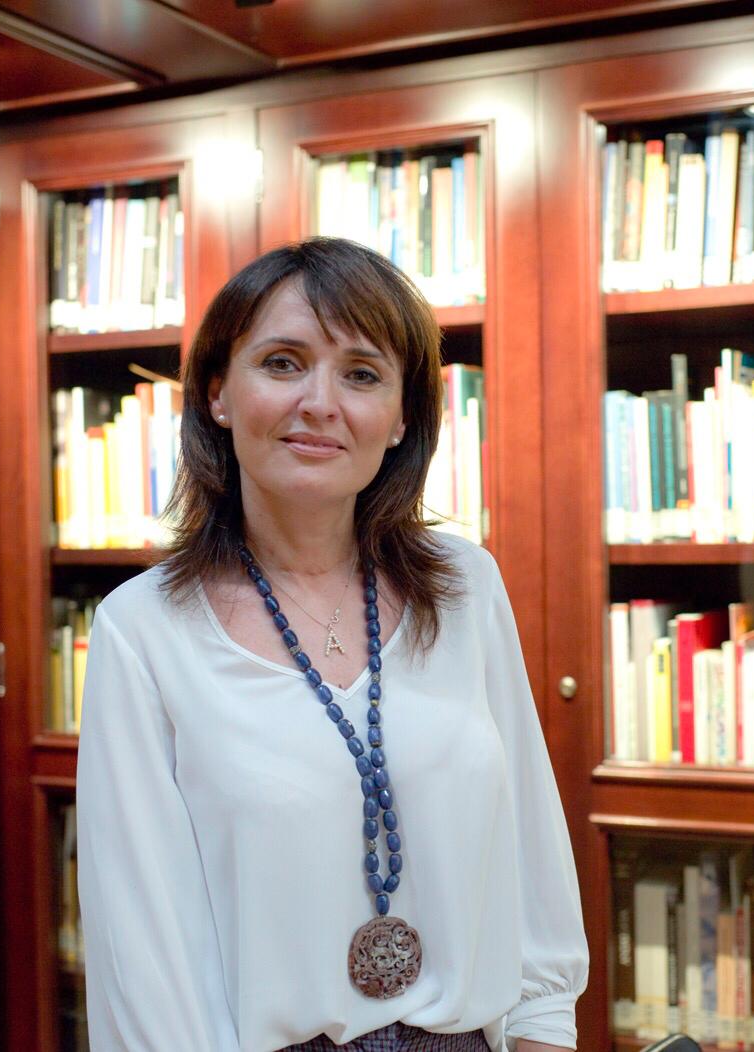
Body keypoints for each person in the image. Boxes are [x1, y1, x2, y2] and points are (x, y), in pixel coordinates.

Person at [75, 237, 588, 1052]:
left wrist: (542, 1033)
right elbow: (144, 954)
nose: (320, 402)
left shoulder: (466, 587)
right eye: (282, 363)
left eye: (361, 374)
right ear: (217, 393)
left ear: (402, 417)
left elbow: (531, 857)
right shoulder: (143, 630)